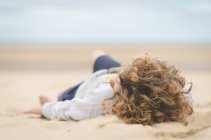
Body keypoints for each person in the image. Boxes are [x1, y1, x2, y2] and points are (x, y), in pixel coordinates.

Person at [24, 50, 193, 125]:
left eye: (118, 84)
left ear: (128, 98)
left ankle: (55, 97)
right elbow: (185, 97)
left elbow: (69, 110)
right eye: (121, 78)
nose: (114, 82)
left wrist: (43, 109)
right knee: (97, 53)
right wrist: (122, 76)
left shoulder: (102, 98)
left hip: (87, 88)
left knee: (60, 98)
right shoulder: (174, 91)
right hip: (112, 72)